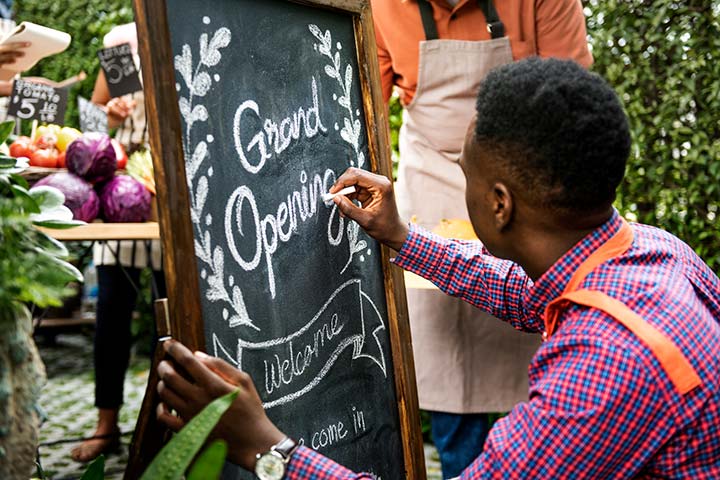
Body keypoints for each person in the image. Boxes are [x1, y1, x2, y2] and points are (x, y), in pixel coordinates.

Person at [155, 58, 720, 478]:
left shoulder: (607, 364)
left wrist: (264, 446)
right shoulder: (651, 253)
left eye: (464, 173)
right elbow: (519, 292)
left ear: (499, 204)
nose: (461, 187)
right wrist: (401, 236)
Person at [371, 1, 592, 474]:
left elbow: (571, 104)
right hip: (432, 181)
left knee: (540, 335)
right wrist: (397, 232)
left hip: (522, 180)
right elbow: (359, 98)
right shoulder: (381, 5)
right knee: (451, 366)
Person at [70, 23, 164, 463]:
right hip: (121, 192)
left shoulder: (195, 25)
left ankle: (171, 424)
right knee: (111, 310)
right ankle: (106, 426)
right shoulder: (119, 40)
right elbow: (88, 119)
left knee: (174, 315)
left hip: (173, 197)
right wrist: (111, 116)